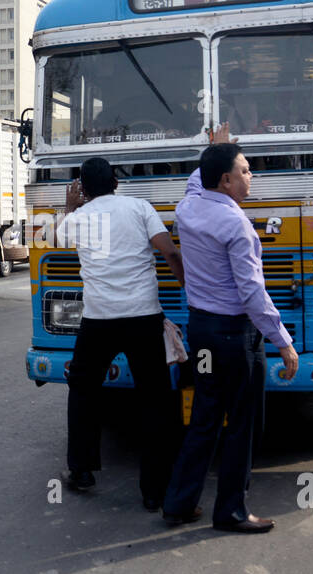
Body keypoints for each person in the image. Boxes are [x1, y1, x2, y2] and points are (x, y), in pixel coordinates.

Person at [161, 142, 299, 533]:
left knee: (204, 417)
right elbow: (253, 292)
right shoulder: (236, 225)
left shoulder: (187, 208)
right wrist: (283, 341)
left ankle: (179, 503)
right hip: (236, 339)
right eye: (245, 170)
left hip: (201, 332)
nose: (250, 176)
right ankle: (231, 511)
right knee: (241, 423)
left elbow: (196, 181)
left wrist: (212, 148)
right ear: (225, 180)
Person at [56, 157, 186, 510]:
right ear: (115, 181)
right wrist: (188, 284)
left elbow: (59, 237)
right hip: (143, 316)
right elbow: (170, 251)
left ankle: (82, 470)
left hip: (98, 319)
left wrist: (70, 206)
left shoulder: (79, 218)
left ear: (83, 187)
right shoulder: (139, 207)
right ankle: (155, 491)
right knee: (155, 399)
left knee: (83, 390)